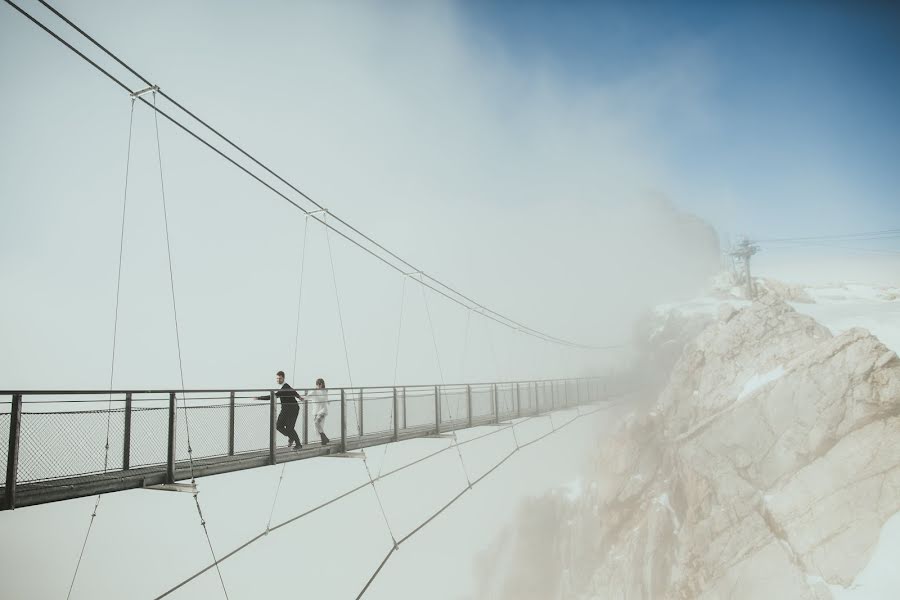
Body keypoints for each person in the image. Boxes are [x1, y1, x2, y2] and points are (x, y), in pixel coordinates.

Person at [259, 371, 303, 449]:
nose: (278, 380)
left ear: (283, 378)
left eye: (280, 378)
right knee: (278, 426)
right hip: (285, 409)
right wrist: (299, 397)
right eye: (277, 378)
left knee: (290, 428)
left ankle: (298, 444)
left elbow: (273, 396)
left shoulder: (285, 387)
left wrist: (259, 398)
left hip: (293, 409)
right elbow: (294, 391)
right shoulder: (283, 386)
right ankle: (291, 437)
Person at [307, 378, 330, 445]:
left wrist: (328, 402)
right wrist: (301, 398)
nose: (319, 386)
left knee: (316, 423)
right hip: (316, 412)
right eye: (318, 384)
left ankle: (324, 438)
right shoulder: (314, 391)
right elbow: (308, 396)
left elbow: (326, 399)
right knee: (317, 427)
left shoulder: (325, 391)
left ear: (322, 384)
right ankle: (324, 439)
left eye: (320, 384)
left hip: (323, 411)